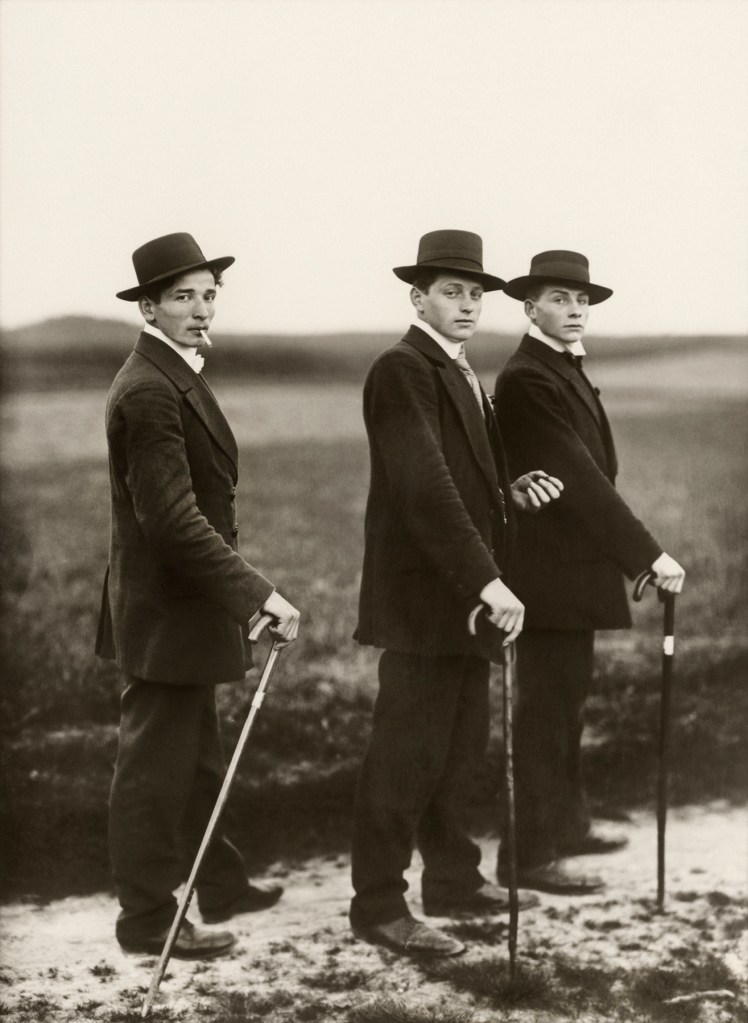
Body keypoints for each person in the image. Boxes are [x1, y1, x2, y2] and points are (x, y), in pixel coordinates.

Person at [350, 229, 563, 957]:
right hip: (422, 601)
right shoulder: (401, 369)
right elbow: (426, 488)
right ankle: (379, 903)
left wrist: (508, 492)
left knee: (460, 748)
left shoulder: (460, 370)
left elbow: (464, 479)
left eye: (476, 292)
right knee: (406, 753)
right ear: (419, 297)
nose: (468, 303)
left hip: (463, 600)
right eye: (452, 290)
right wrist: (488, 578)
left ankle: (452, 877)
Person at [96, 232, 300, 957]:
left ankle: (220, 883)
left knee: (199, 753)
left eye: (209, 294)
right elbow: (173, 519)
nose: (201, 308)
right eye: (183, 296)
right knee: (153, 769)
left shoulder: (171, 371)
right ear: (148, 305)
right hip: (165, 610)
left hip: (182, 609)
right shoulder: (149, 387)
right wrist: (257, 595)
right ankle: (145, 920)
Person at [493, 250, 685, 894]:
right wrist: (647, 555)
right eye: (559, 299)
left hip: (573, 572)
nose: (574, 310)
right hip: (547, 575)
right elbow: (578, 478)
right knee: (545, 713)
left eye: (582, 301)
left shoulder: (559, 368)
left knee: (567, 704)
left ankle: (567, 826)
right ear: (530, 307)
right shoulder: (527, 378)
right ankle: (528, 854)